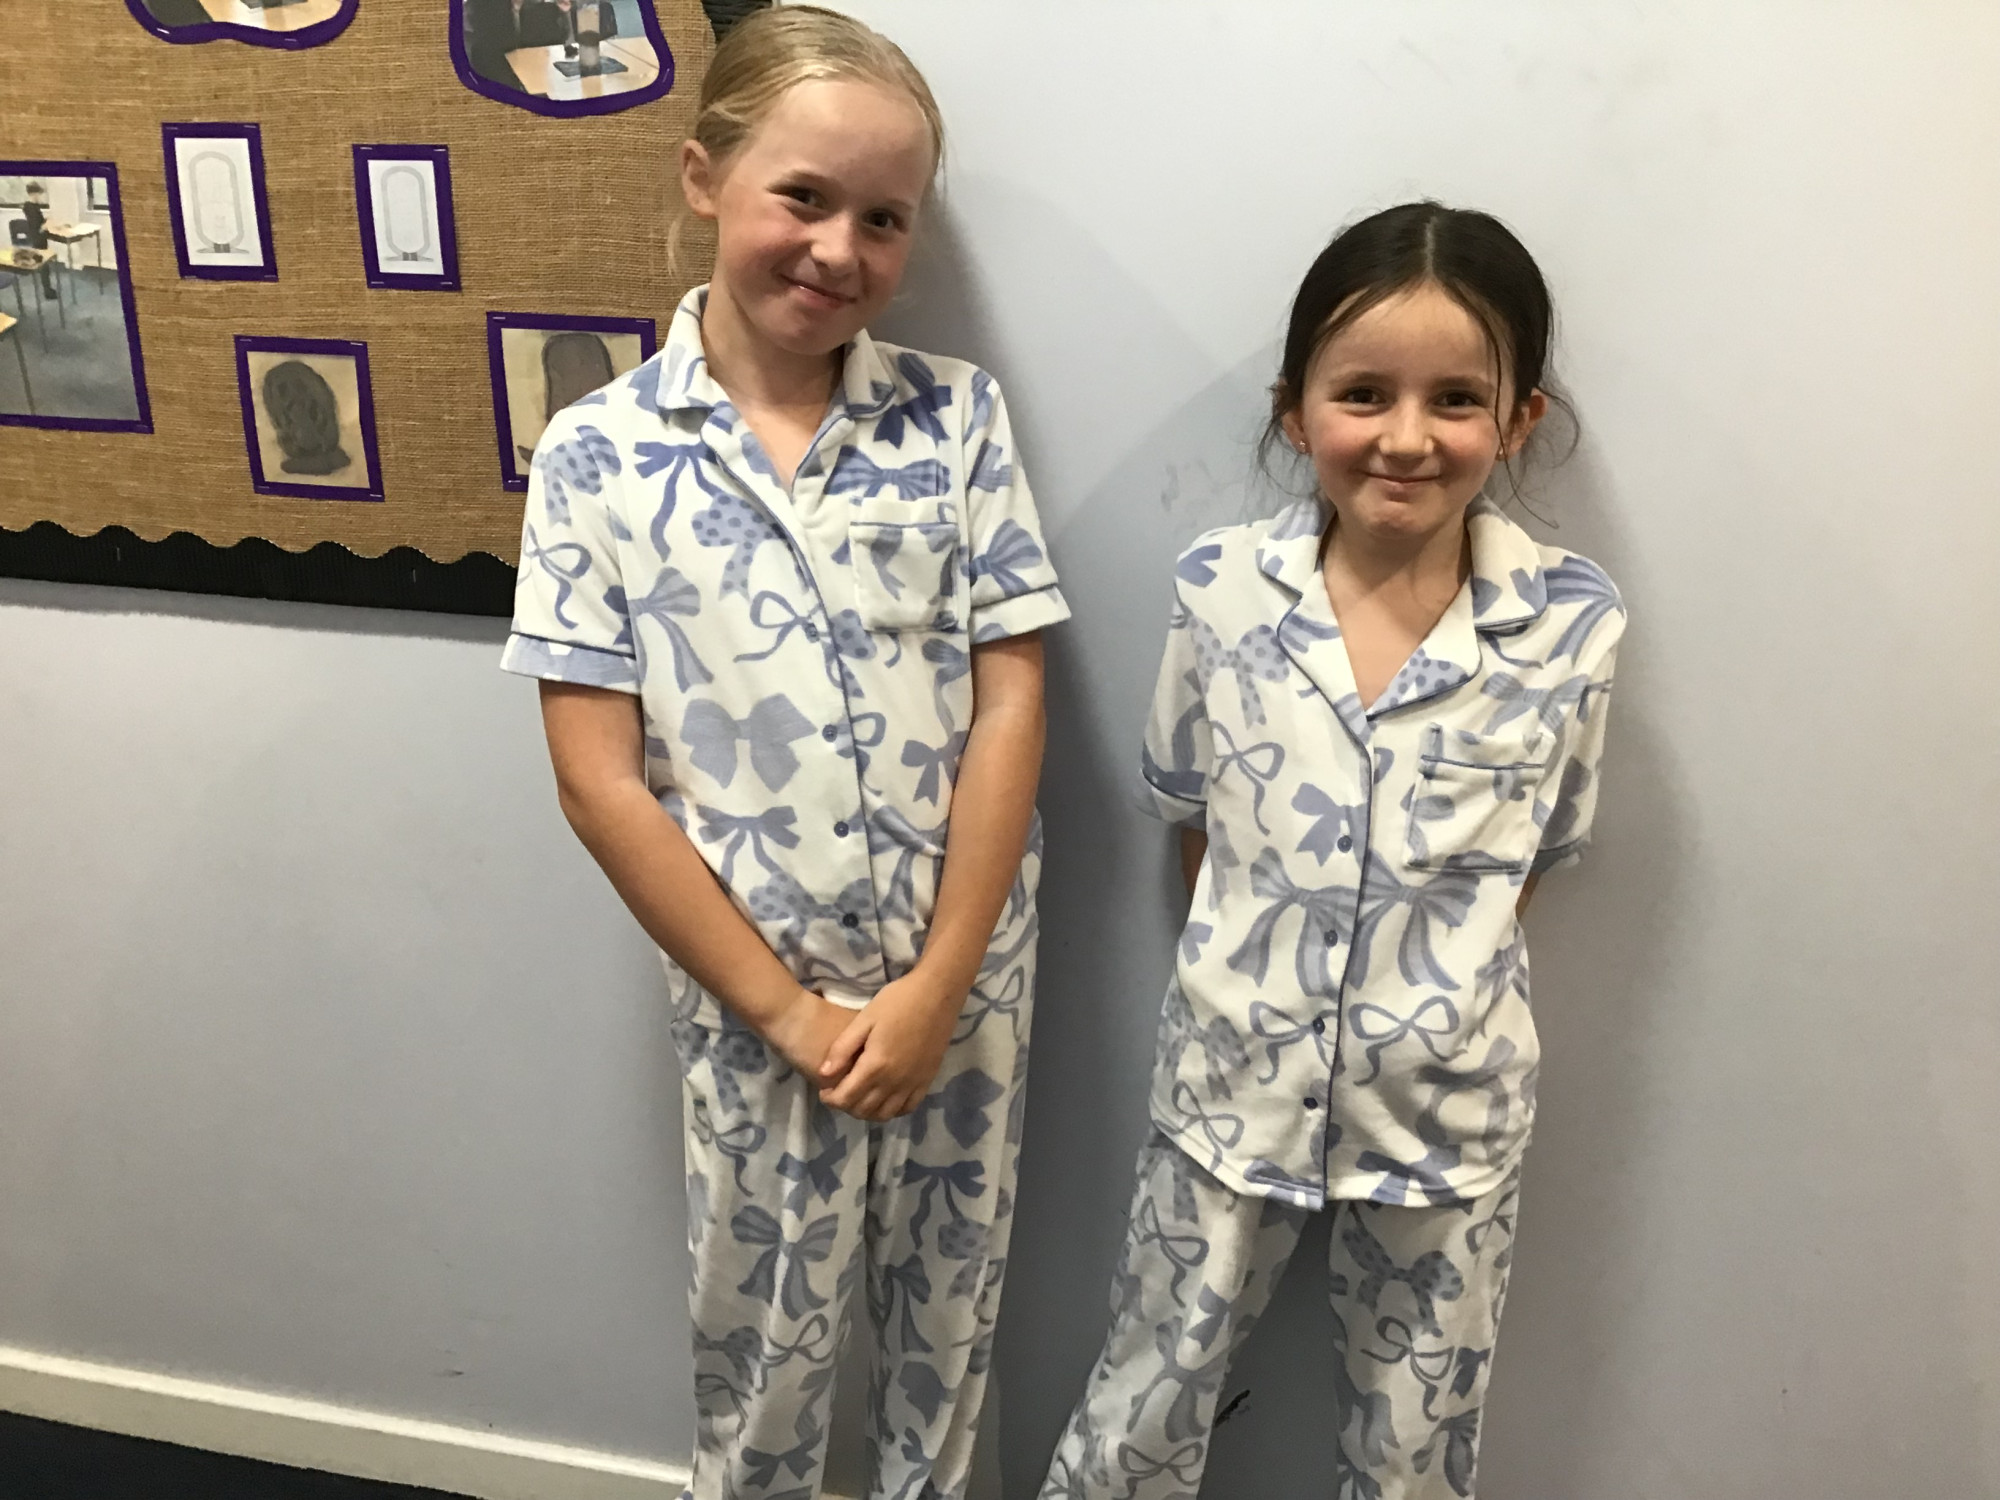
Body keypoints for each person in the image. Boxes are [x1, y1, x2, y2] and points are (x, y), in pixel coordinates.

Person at [501, 9, 1069, 1499]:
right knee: (763, 1364)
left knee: (946, 1346)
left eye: (884, 218)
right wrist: (790, 1015)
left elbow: (1012, 702)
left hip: (963, 997)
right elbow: (597, 779)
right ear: (704, 177)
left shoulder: (956, 420)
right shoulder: (597, 454)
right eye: (803, 197)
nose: (838, 248)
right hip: (760, 1013)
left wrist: (939, 985)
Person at [1039, 202, 1626, 1500]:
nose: (1408, 436)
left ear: (1519, 419)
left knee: (1414, 1446)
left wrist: (1417, 1003)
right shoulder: (1220, 591)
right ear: (1297, 412)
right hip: (1231, 1091)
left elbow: (1536, 855)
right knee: (1147, 1395)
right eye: (1364, 393)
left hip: (1445, 1118)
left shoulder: (1571, 624)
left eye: (1457, 399)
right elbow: (1194, 819)